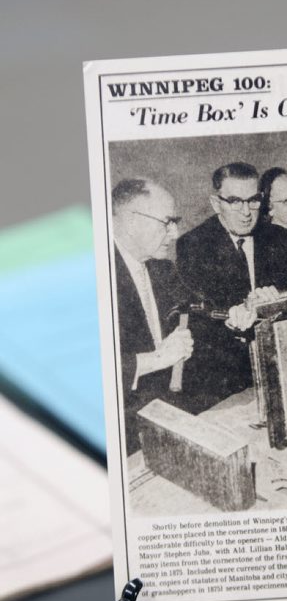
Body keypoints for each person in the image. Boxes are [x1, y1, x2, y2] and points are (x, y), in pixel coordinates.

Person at [177, 161, 287, 407]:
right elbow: (202, 316)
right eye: (234, 201)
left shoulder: (278, 236)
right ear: (216, 203)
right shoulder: (193, 245)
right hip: (222, 378)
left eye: (253, 200)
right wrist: (243, 309)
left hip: (276, 366)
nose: (246, 212)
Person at [112, 178, 194, 455]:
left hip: (165, 419)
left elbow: (201, 312)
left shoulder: (162, 270)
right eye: (167, 222)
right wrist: (157, 359)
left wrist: (235, 315)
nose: (175, 233)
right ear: (132, 221)